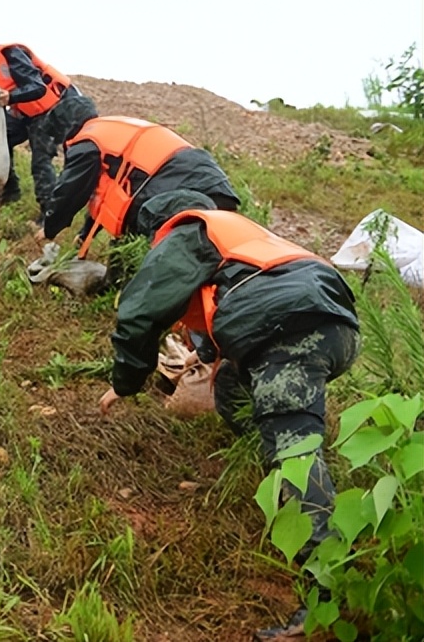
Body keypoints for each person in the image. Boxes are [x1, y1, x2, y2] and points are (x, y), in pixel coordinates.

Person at [97, 190, 360, 641]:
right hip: (336, 326)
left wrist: (124, 383)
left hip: (290, 331)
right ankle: (270, 475)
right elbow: (228, 311)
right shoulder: (239, 240)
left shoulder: (187, 233)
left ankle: (326, 605)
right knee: (234, 389)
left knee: (293, 451)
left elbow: (140, 312)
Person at [42, 116, 241, 255]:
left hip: (178, 183)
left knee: (171, 254)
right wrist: (84, 235)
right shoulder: (110, 131)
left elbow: (71, 191)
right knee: (215, 249)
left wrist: (48, 229)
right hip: (213, 183)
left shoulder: (85, 143)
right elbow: (104, 197)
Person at [0, 28, 97, 220]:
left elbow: (37, 87)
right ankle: (10, 190)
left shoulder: (11, 54)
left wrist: (12, 97)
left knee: (40, 161)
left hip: (56, 107)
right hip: (28, 111)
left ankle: (48, 216)